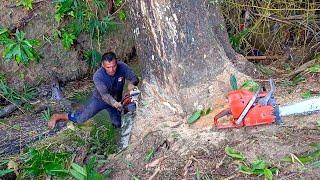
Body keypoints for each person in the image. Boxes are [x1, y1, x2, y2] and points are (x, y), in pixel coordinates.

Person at [48, 52, 139, 129]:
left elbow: (134, 78)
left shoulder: (122, 67)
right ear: (103, 65)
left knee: (117, 124)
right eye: (108, 67)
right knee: (80, 119)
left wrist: (132, 84)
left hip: (116, 99)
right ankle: (59, 116)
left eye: (114, 66)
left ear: (117, 62)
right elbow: (105, 95)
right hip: (100, 100)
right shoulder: (98, 76)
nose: (111, 70)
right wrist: (116, 104)